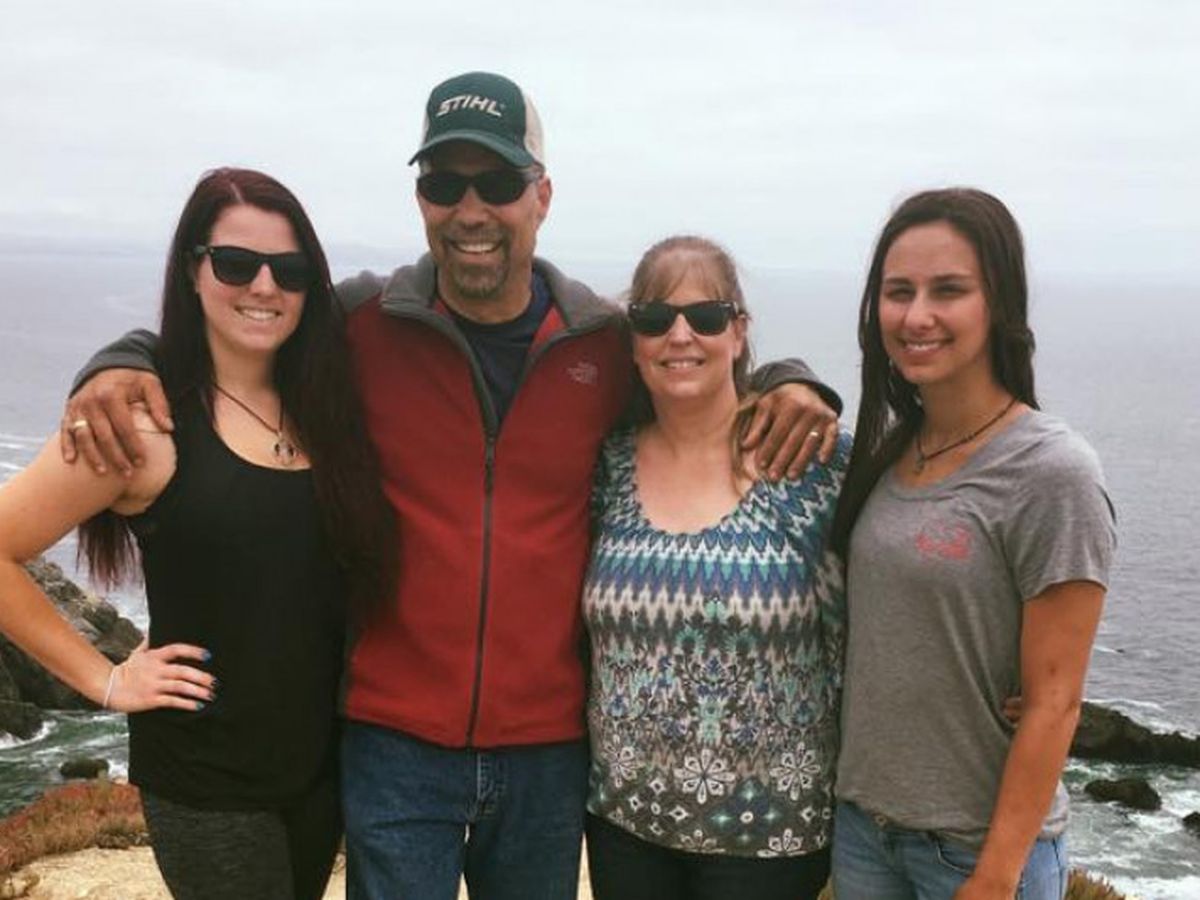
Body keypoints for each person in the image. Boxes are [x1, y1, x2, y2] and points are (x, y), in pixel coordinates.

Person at [59, 73, 842, 900]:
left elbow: (694, 368)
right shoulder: (361, 323)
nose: (471, 210)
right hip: (393, 741)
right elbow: (244, 325)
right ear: (420, 198)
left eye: (498, 183)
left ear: (541, 197)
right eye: (444, 184)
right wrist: (121, 359)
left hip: (547, 749)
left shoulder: (603, 345)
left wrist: (793, 380)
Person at [0, 168, 394, 899]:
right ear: (193, 270)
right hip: (208, 783)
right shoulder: (143, 424)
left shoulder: (326, 409)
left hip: (318, 772)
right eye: (236, 264)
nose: (265, 287)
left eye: (290, 271)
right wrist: (104, 678)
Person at [828, 188, 1116, 899]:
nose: (916, 315)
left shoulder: (1050, 470)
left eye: (949, 290)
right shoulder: (890, 452)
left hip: (973, 853)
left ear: (999, 304)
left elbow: (1055, 701)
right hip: (866, 832)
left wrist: (995, 875)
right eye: (899, 291)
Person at [582, 236, 851, 900]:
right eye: (654, 319)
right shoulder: (605, 466)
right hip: (624, 821)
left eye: (705, 316)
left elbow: (898, 584)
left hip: (770, 837)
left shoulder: (807, 464)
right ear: (633, 341)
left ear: (738, 331)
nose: (680, 335)